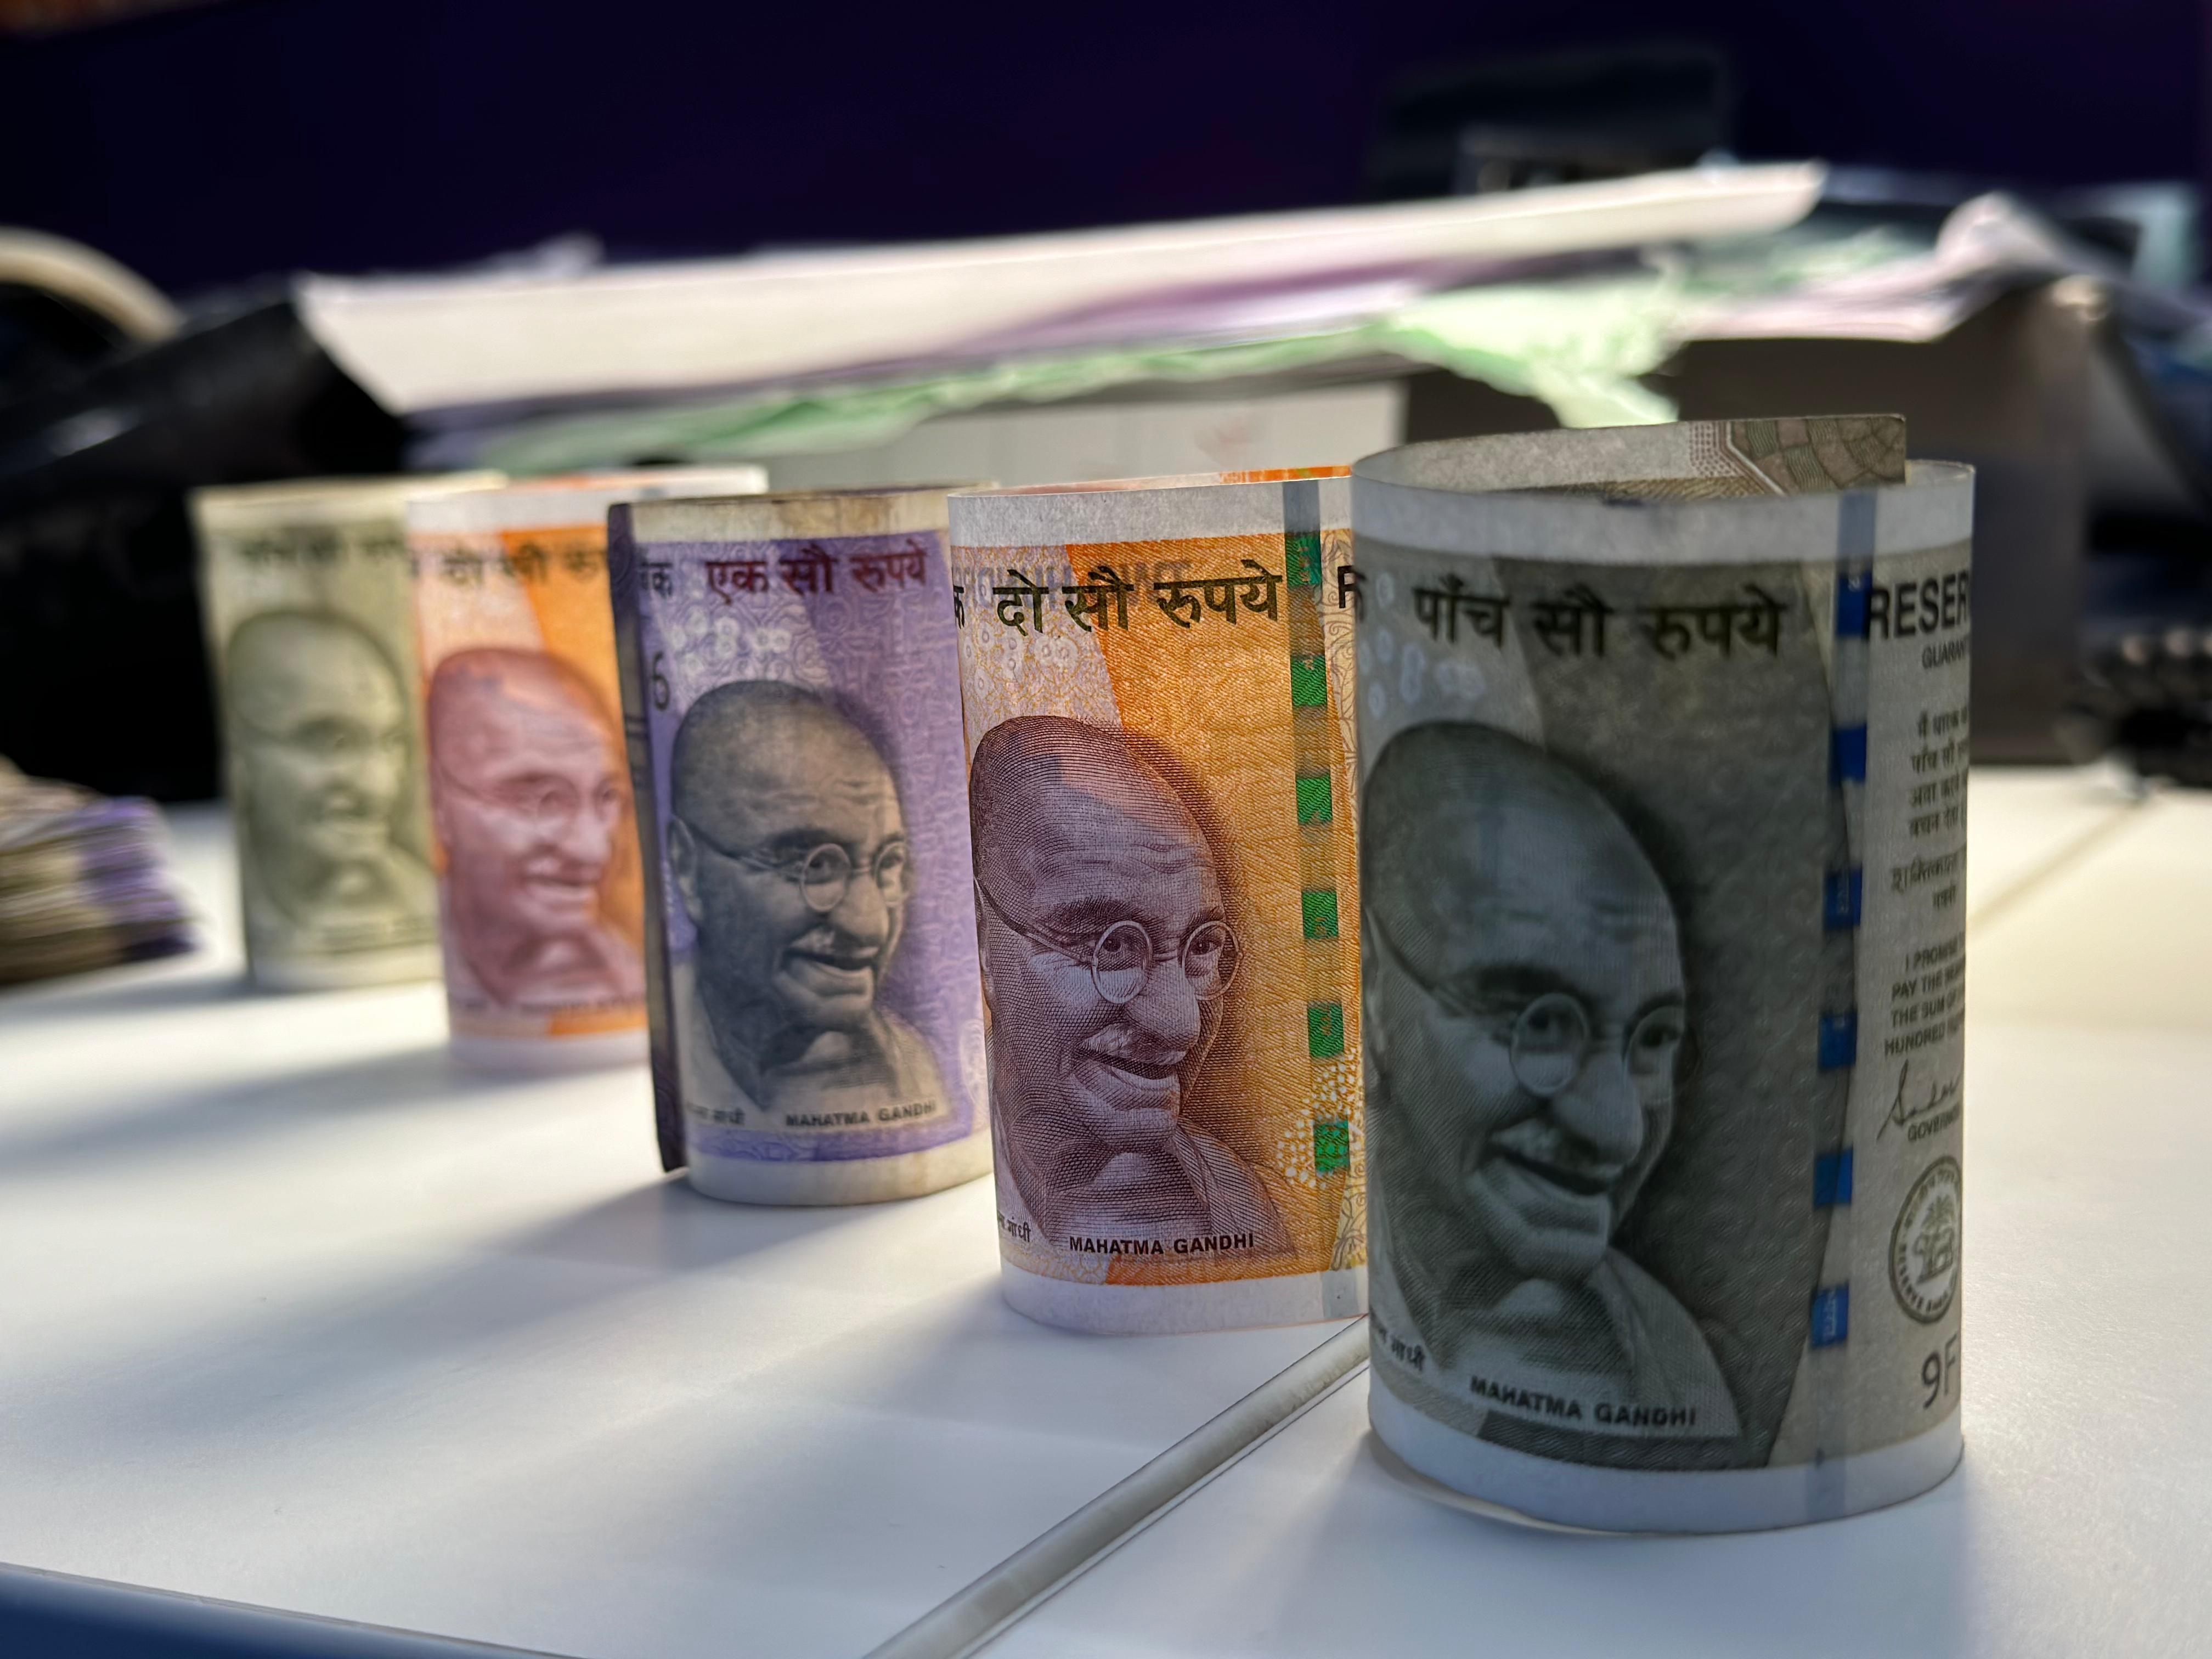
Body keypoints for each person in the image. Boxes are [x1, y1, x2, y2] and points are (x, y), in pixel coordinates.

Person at [1362, 721, 1737, 1434]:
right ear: (1374, 991)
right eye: (1535, 1024)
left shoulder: (1678, 1364)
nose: (1619, 1131)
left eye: (1654, 1039)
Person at [968, 714, 1286, 1250]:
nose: (1181, 1025)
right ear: (981, 937)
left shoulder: (1254, 1210)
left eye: (1201, 947)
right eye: (1110, 947)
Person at [665, 681, 946, 1129]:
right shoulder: (675, 1046)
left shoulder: (920, 1068)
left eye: (888, 863)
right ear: (687, 868)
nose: (870, 925)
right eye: (811, 866)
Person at [427, 648, 644, 1010]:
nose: (593, 850)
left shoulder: (628, 968)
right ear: (437, 802)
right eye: (542, 800)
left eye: (608, 796)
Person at [226, 610, 434, 944]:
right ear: (238, 753)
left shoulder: (421, 895)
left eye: (392, 741)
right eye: (334, 743)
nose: (381, 787)